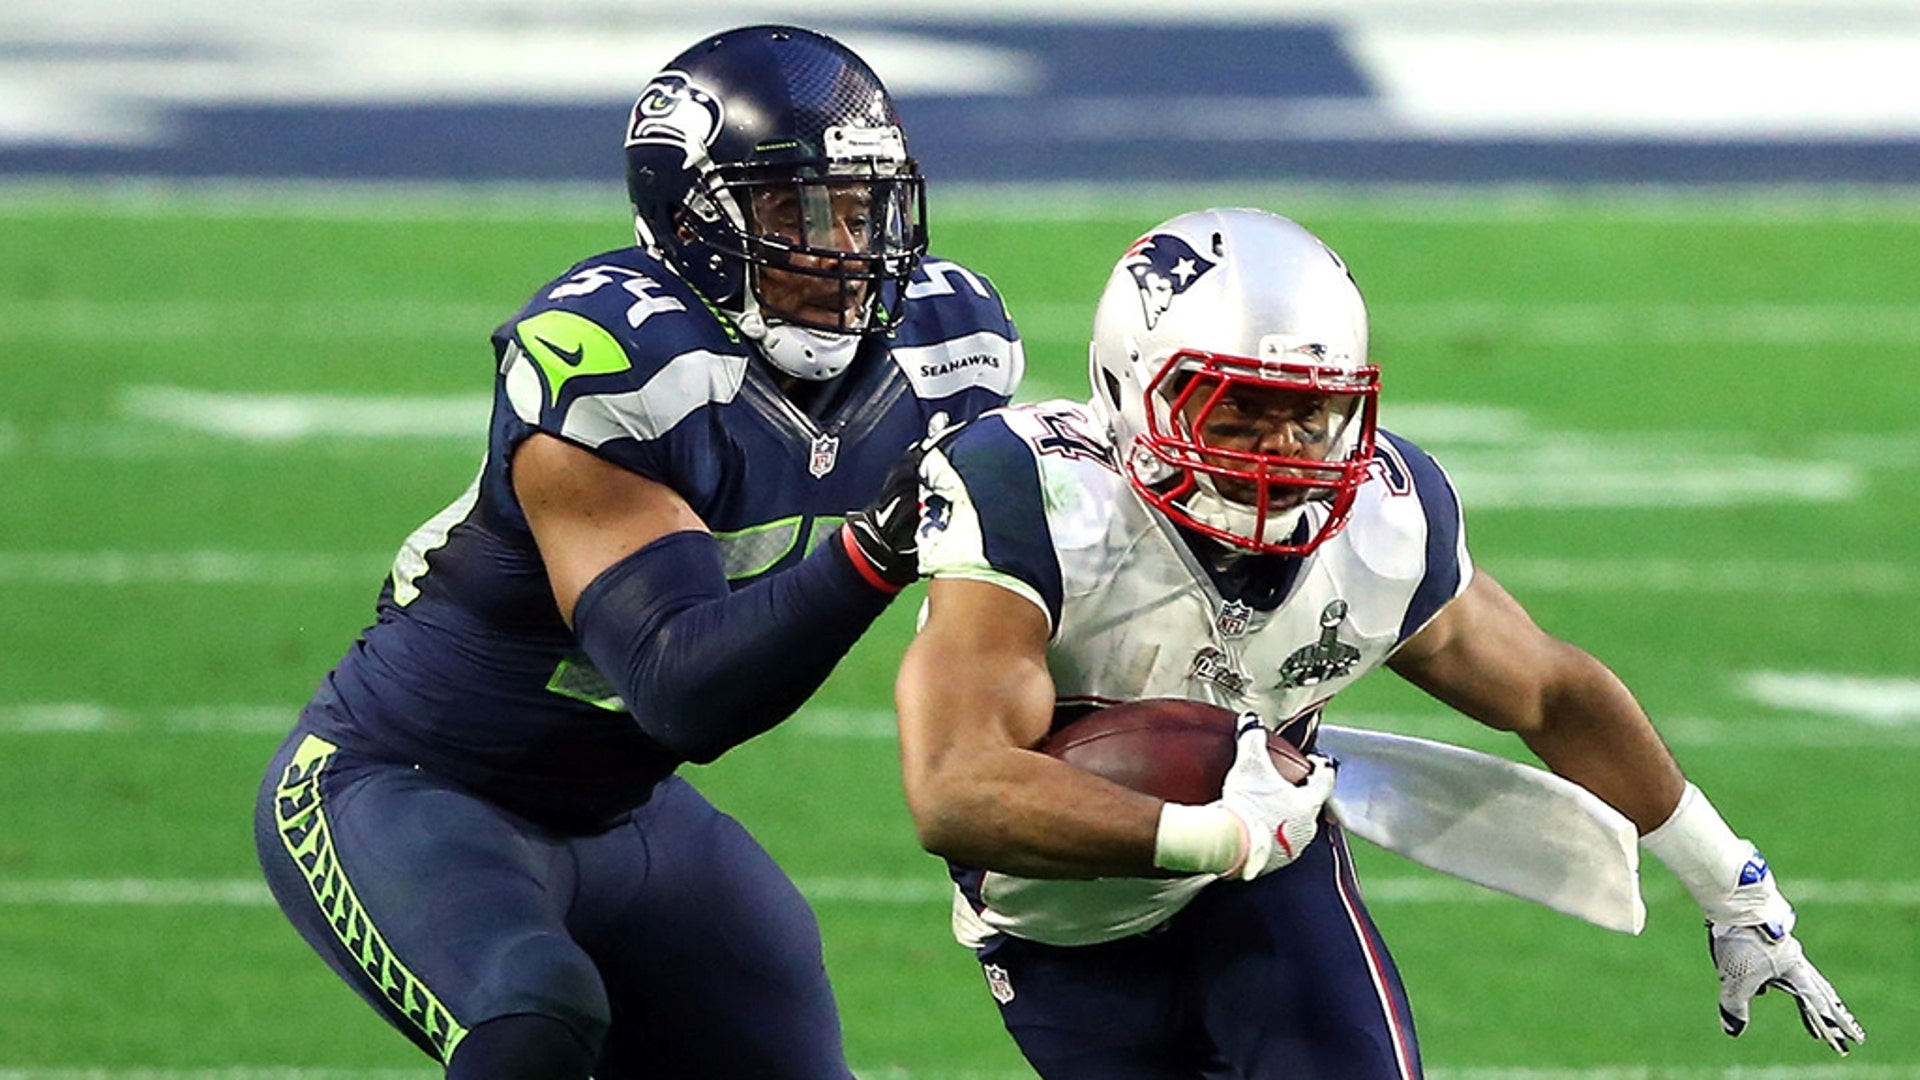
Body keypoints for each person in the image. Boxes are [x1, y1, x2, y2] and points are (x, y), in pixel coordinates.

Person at [894, 207, 1862, 1080]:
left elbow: (1553, 694)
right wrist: (1214, 832)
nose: (1279, 451)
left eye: (1307, 412)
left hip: (1266, 881)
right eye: (1238, 410)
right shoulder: (1042, 503)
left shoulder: (1382, 526)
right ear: (1128, 389)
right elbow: (957, 786)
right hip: (1059, 923)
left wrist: (1731, 883)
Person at [253, 25, 1022, 1080]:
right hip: (412, 783)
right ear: (693, 224)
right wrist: (876, 551)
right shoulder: (616, 362)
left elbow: (1015, 632)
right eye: (794, 211)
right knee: (533, 1020)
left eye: (862, 207)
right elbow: (681, 686)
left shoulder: (951, 348)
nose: (844, 249)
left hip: (631, 815)